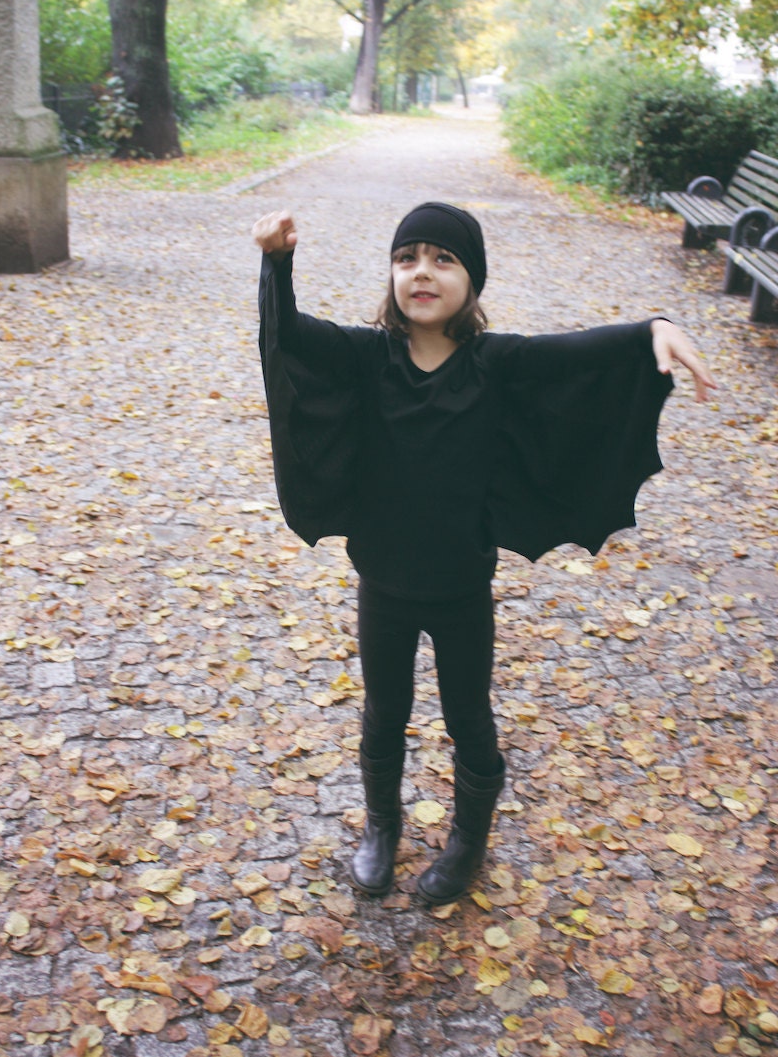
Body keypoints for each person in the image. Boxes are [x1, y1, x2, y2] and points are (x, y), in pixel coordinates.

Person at [253, 202, 715, 906]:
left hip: (462, 583)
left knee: (468, 715)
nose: (423, 273)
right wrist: (277, 262)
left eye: (444, 260)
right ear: (392, 276)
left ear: (473, 281)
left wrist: (653, 328)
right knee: (385, 709)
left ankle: (468, 840)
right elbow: (286, 334)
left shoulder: (497, 364)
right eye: (408, 259)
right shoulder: (366, 356)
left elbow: (581, 353)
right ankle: (382, 827)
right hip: (383, 578)